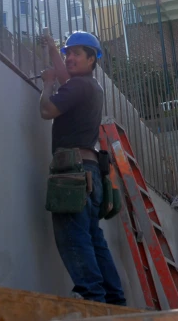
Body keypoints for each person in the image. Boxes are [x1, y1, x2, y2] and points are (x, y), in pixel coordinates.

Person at [39, 31, 126, 305]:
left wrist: (47, 84)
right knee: (92, 237)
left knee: (73, 237)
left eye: (77, 53)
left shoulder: (78, 87)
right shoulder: (90, 87)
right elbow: (68, 78)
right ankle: (114, 300)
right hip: (90, 172)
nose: (70, 57)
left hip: (73, 172)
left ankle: (94, 300)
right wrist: (54, 49)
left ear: (92, 60)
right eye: (68, 53)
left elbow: (47, 110)